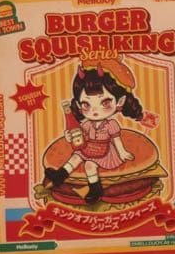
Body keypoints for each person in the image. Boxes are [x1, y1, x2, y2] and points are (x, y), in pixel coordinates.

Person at [44, 57, 142, 204]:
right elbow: (78, 136)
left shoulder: (111, 124)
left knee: (89, 165)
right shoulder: (86, 124)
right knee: (75, 157)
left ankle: (95, 190)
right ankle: (60, 176)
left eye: (105, 102)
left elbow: (116, 140)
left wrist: (122, 152)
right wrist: (69, 137)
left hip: (105, 154)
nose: (95, 111)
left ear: (120, 101)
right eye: (86, 104)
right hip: (88, 148)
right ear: (78, 105)